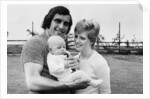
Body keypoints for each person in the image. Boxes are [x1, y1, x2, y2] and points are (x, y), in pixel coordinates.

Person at [21, 6, 88, 94]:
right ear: (48, 21)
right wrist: (71, 85)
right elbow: (33, 82)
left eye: (66, 23)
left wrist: (74, 66)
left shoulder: (58, 44)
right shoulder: (35, 43)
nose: (61, 26)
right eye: (58, 21)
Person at [74, 19, 111, 94]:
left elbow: (105, 93)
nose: (77, 41)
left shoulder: (100, 62)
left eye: (82, 38)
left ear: (91, 41)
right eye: (76, 36)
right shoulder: (74, 59)